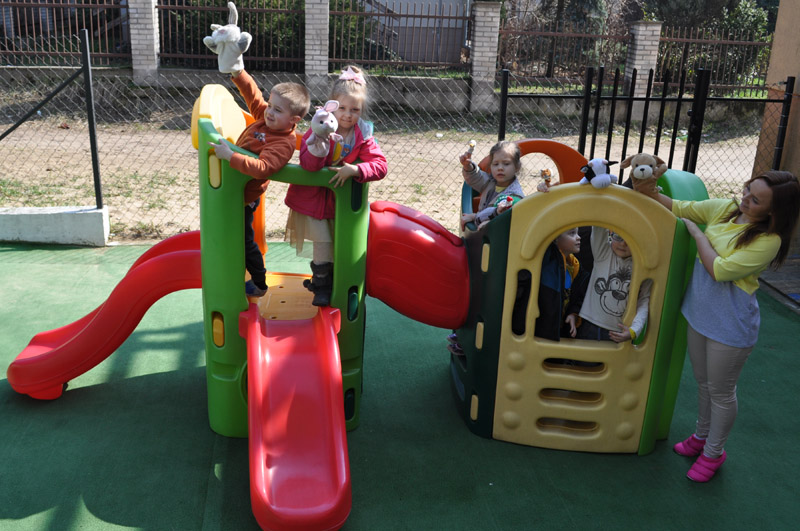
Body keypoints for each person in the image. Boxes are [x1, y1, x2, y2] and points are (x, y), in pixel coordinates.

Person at [632, 170, 800, 482]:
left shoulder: (769, 241)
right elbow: (677, 207)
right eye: (747, 190)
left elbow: (720, 270)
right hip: (700, 314)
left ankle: (714, 451)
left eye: (756, 200)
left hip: (730, 326)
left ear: (774, 212)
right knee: (703, 383)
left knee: (721, 391)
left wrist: (699, 236)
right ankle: (701, 436)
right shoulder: (725, 208)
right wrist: (649, 188)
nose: (745, 200)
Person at [208, 69, 311, 298]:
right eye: (270, 105)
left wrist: (230, 156)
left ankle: (259, 283)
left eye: (277, 110)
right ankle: (235, 271)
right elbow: (253, 97)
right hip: (233, 191)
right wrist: (238, 72)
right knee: (230, 236)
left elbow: (263, 167)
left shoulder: (283, 142)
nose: (269, 112)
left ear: (293, 120)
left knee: (245, 241)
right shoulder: (266, 119)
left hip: (244, 197)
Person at [295, 66, 388, 306]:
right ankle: (321, 287)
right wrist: (318, 148)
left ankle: (335, 282)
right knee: (323, 244)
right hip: (317, 200)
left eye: (355, 110)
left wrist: (356, 169)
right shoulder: (319, 127)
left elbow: (380, 165)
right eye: (342, 108)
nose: (347, 115)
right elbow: (308, 165)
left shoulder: (362, 134)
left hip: (342, 203)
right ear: (332, 107)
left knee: (341, 245)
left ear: (361, 110)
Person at [575, 227, 652, 344]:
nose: (623, 243)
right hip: (590, 325)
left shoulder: (643, 268)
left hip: (619, 333)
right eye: (618, 236)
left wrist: (634, 330)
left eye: (630, 240)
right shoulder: (603, 253)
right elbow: (599, 226)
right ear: (611, 234)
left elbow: (643, 301)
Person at [459, 141, 524, 231]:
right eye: (496, 164)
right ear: (490, 166)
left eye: (506, 163)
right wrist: (468, 166)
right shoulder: (490, 181)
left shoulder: (514, 196)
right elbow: (475, 178)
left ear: (517, 167)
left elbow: (497, 214)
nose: (500, 168)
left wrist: (475, 217)